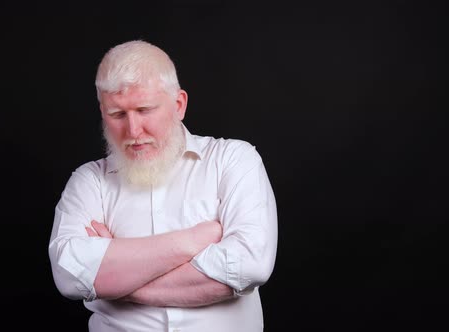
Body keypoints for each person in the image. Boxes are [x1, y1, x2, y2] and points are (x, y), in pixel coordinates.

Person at [48, 40, 278, 332]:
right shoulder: (88, 182)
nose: (133, 131)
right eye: (117, 114)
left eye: (145, 110)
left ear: (179, 104)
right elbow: (69, 276)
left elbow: (249, 265)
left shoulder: (233, 160)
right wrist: (193, 241)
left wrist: (116, 278)